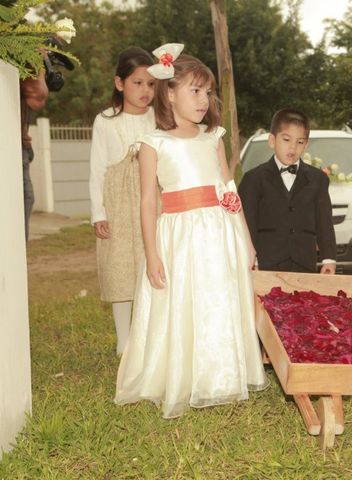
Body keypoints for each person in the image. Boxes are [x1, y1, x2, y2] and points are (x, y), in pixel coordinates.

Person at [115, 44, 268, 418]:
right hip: (180, 236)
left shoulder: (212, 136)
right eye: (194, 91)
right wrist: (151, 254)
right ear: (169, 93)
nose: (203, 100)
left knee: (218, 299)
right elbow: (149, 202)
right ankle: (182, 374)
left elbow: (228, 188)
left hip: (219, 231)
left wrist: (245, 240)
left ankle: (220, 375)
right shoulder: (154, 143)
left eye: (208, 92)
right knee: (185, 301)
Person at [89, 47, 156, 356]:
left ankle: (151, 335)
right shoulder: (105, 121)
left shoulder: (160, 120)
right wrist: (98, 212)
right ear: (119, 83)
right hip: (117, 202)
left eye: (151, 84)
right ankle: (124, 340)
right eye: (137, 83)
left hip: (151, 199)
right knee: (119, 267)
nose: (145, 91)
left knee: (150, 262)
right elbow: (97, 168)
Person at [238, 108, 337, 274]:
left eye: (299, 142)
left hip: (304, 262)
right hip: (266, 261)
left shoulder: (317, 179)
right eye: (286, 140)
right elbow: (247, 223)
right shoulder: (253, 179)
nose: (292, 148)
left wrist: (329, 259)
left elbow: (324, 221)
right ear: (272, 140)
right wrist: (251, 258)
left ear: (306, 144)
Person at [19, 68, 49, 241]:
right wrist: (40, 64)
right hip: (13, 148)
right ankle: (17, 259)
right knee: (25, 198)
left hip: (19, 144)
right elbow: (38, 95)